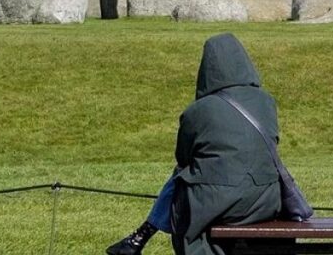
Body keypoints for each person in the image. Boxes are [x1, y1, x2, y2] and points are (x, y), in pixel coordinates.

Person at [107, 34, 287, 255]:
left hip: (216, 203)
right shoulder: (267, 102)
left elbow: (183, 157)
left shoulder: (197, 111)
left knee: (181, 176)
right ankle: (140, 237)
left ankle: (141, 235)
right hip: (265, 200)